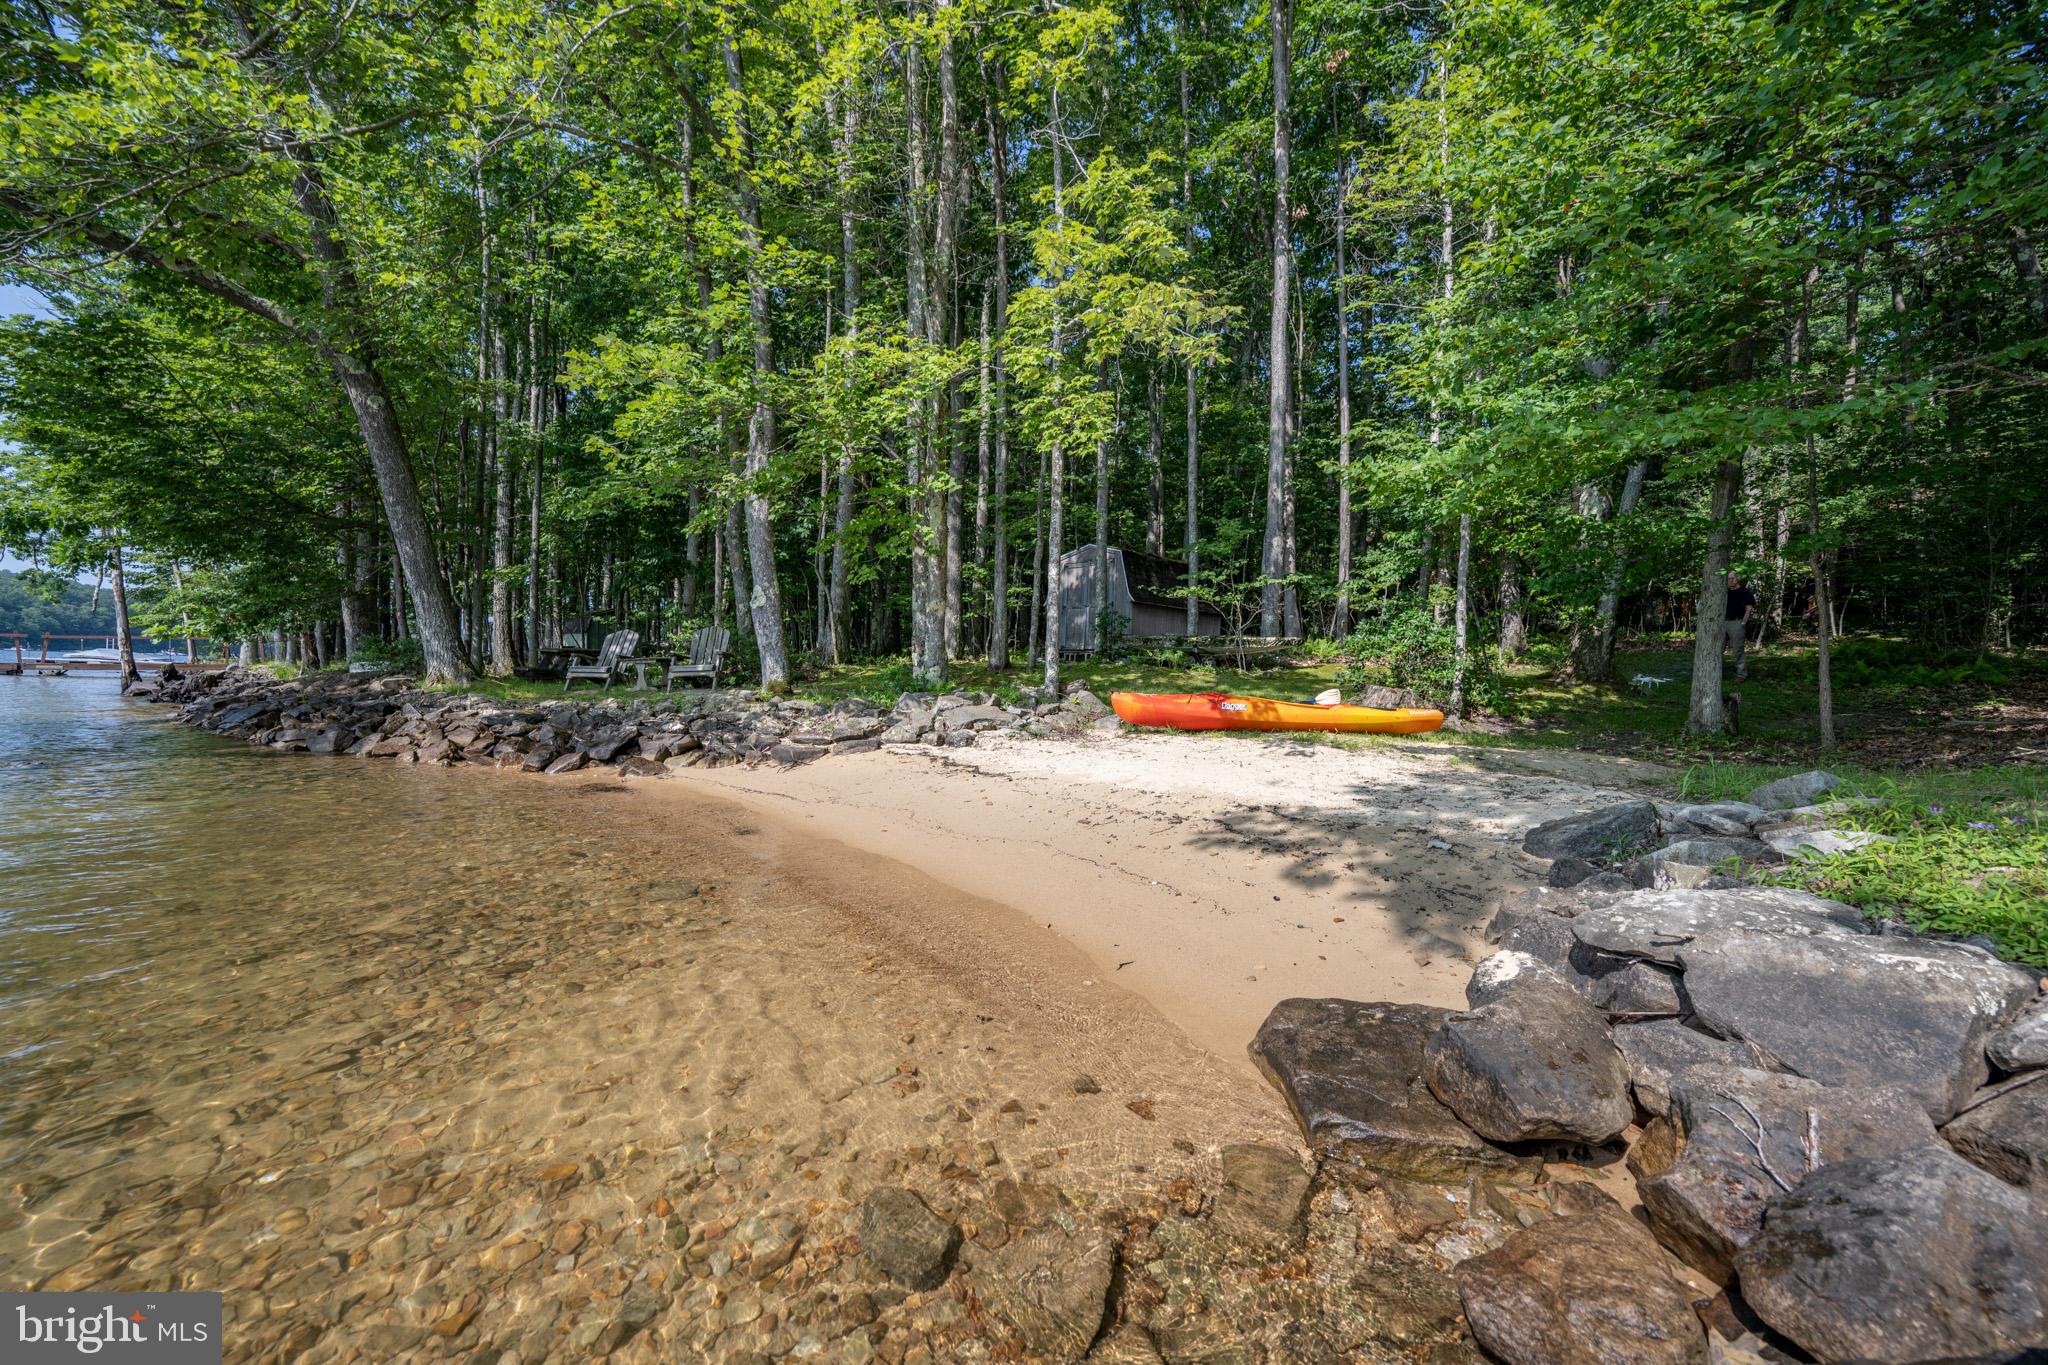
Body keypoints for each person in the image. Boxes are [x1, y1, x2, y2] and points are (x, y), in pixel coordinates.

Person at [1724, 570, 1756, 681]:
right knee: (1717, 648)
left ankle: (1741, 674)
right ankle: (1716, 671)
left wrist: (1743, 623)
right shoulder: (1724, 592)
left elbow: (1749, 609)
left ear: (1738, 578)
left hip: (1737, 623)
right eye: (1728, 578)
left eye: (1733, 578)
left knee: (1737, 649)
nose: (1730, 580)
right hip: (1722, 623)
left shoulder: (1745, 592)